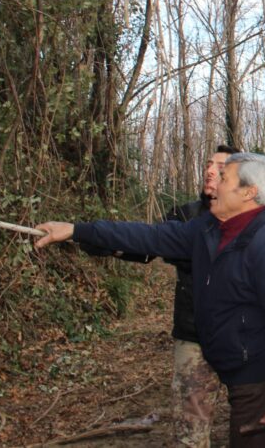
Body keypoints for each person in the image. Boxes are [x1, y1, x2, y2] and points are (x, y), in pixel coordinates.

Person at [36, 153, 265, 448]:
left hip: (264, 379)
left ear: (249, 192)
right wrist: (76, 230)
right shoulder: (209, 229)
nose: (214, 184)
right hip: (236, 373)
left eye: (224, 178)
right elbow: (149, 237)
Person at [76, 144, 237, 448]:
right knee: (190, 429)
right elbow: (149, 244)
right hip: (193, 335)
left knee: (252, 426)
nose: (209, 171)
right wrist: (102, 243)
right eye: (208, 164)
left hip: (243, 339)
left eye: (220, 168)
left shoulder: (252, 221)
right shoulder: (185, 215)